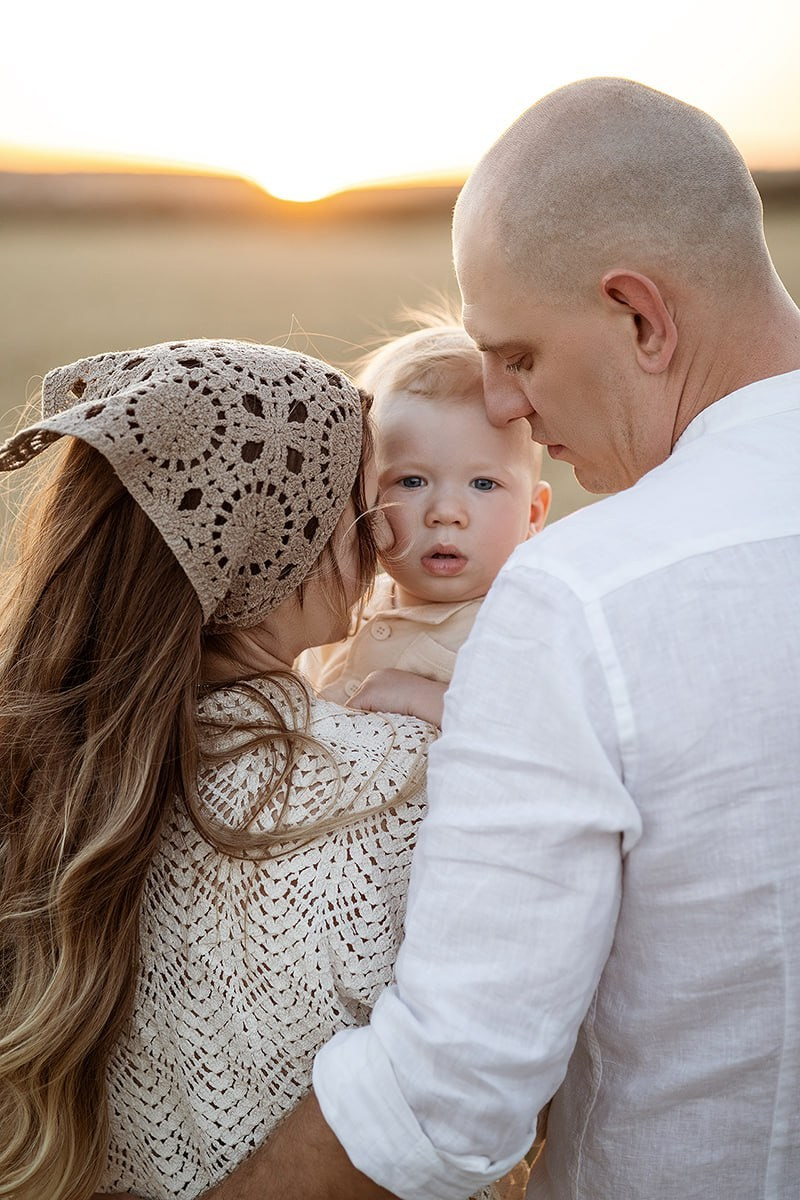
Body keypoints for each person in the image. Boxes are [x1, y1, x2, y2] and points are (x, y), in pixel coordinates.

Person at [198, 77, 800, 1199]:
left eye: (516, 356)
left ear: (639, 317)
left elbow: (447, 1097)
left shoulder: (581, 599)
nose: (504, 405)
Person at [0, 339, 458, 1200]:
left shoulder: (38, 774)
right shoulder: (400, 781)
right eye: (364, 505)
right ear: (279, 547)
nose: (391, 532)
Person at [298, 317, 551, 727]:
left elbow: (552, 738)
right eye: (411, 481)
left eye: (483, 483)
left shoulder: (523, 625)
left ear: (533, 514)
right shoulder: (345, 604)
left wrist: (434, 700)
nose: (446, 511)